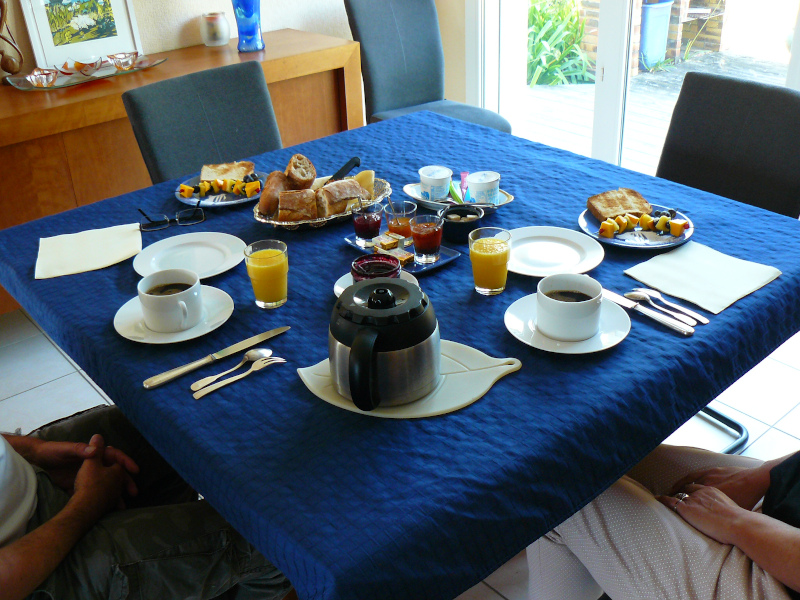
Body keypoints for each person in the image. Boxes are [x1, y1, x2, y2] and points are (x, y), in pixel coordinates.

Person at [0, 405, 296, 600]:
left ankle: (188, 577)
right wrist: (87, 503)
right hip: (29, 577)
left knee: (164, 425)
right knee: (280, 544)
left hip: (32, 488)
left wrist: (34, 450)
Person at [527, 444, 800, 600]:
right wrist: (767, 474)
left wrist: (733, 521)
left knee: (557, 486)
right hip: (782, 508)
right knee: (601, 453)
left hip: (780, 582)